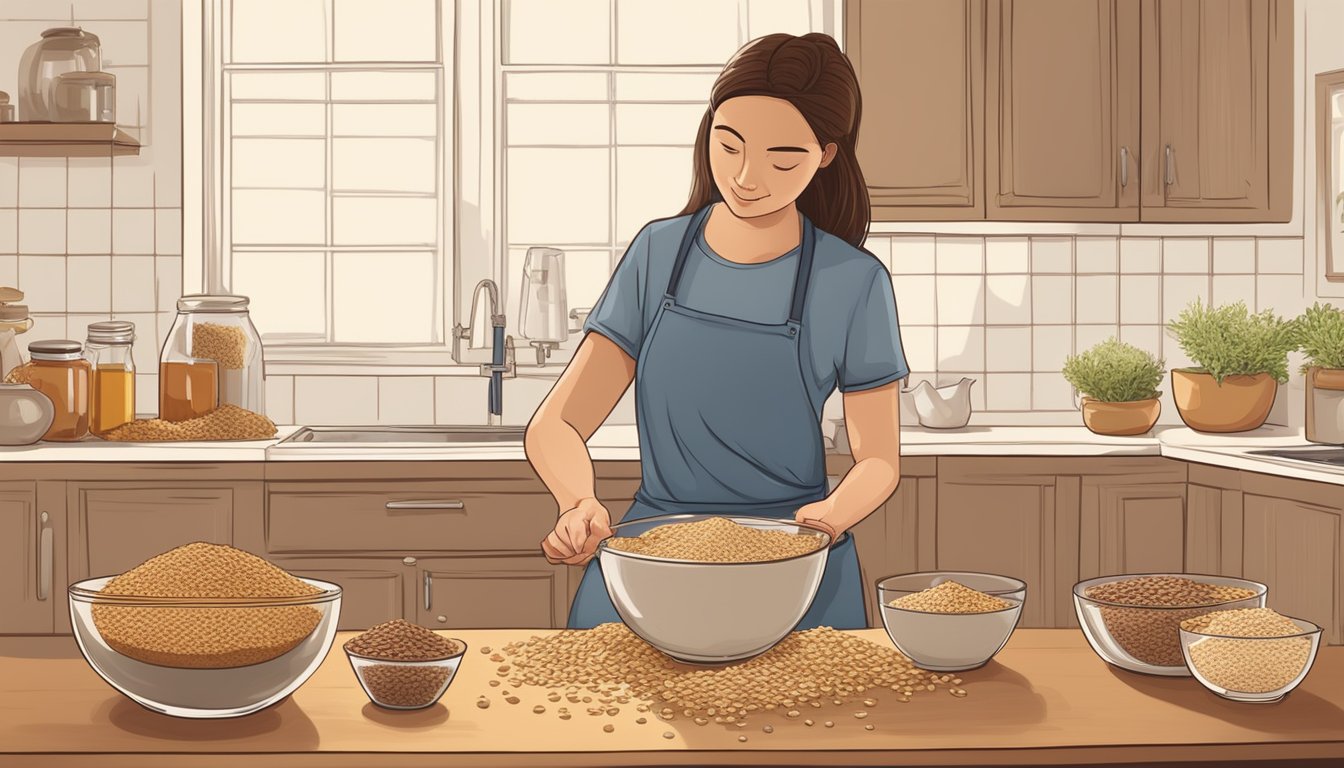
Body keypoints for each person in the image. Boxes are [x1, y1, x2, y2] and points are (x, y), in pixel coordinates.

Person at [526, 32, 907, 630]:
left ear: (826, 155)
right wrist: (578, 503)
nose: (748, 176)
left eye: (783, 159)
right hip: (652, 552)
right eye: (728, 146)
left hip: (799, 556)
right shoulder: (659, 252)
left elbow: (879, 459)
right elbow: (559, 422)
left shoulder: (853, 281)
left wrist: (829, 517)